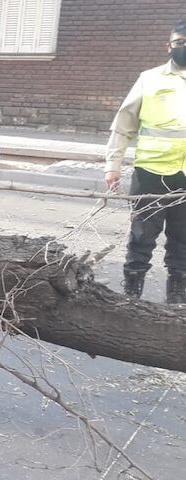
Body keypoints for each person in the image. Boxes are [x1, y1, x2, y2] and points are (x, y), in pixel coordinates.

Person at [105, 20, 186, 304]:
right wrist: (113, 165)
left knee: (183, 240)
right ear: (169, 46)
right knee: (142, 237)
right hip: (150, 173)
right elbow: (123, 123)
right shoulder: (149, 79)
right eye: (180, 42)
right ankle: (131, 298)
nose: (184, 47)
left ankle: (177, 303)